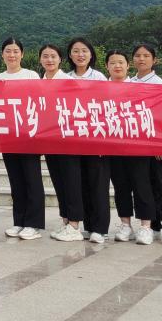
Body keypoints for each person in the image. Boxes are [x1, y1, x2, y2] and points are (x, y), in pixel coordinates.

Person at [0, 38, 44, 240]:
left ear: (22, 54)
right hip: (7, 135)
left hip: (28, 134)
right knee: (16, 180)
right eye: (8, 51)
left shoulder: (31, 75)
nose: (12, 55)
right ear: (2, 54)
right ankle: (19, 221)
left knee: (32, 179)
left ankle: (34, 224)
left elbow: (40, 102)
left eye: (15, 51)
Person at [131, 43, 162, 245]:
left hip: (159, 145)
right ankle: (153, 225)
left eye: (146, 55)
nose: (141, 59)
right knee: (145, 186)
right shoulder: (130, 83)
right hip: (138, 145)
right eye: (137, 55)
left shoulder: (160, 84)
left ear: (154, 60)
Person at [105, 50, 155, 245]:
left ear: (128, 65)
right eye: (112, 63)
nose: (117, 66)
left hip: (138, 146)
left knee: (142, 184)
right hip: (113, 146)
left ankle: (146, 226)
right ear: (107, 67)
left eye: (121, 62)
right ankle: (125, 224)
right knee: (120, 186)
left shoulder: (140, 87)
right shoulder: (100, 89)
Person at [66, 37, 109, 244]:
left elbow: (106, 106)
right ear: (70, 55)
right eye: (76, 51)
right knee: (79, 183)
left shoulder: (99, 77)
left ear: (91, 54)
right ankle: (87, 226)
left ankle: (100, 228)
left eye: (84, 50)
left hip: (95, 137)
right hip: (73, 139)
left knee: (97, 183)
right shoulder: (65, 78)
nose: (80, 54)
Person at [40, 44, 83, 242]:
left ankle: (74, 225)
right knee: (58, 181)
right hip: (50, 140)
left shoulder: (69, 81)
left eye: (53, 56)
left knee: (71, 181)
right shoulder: (39, 82)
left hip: (68, 139)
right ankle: (66, 220)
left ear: (60, 59)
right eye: (45, 56)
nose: (49, 60)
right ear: (40, 59)